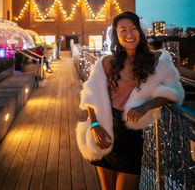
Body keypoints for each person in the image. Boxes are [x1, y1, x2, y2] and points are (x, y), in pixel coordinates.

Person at [76, 11, 184, 190]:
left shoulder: (159, 61)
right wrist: (94, 125)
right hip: (104, 131)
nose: (128, 34)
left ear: (140, 32)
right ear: (117, 36)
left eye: (133, 29)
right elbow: (90, 95)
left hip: (131, 136)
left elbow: (174, 91)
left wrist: (145, 106)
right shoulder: (107, 62)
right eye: (123, 30)